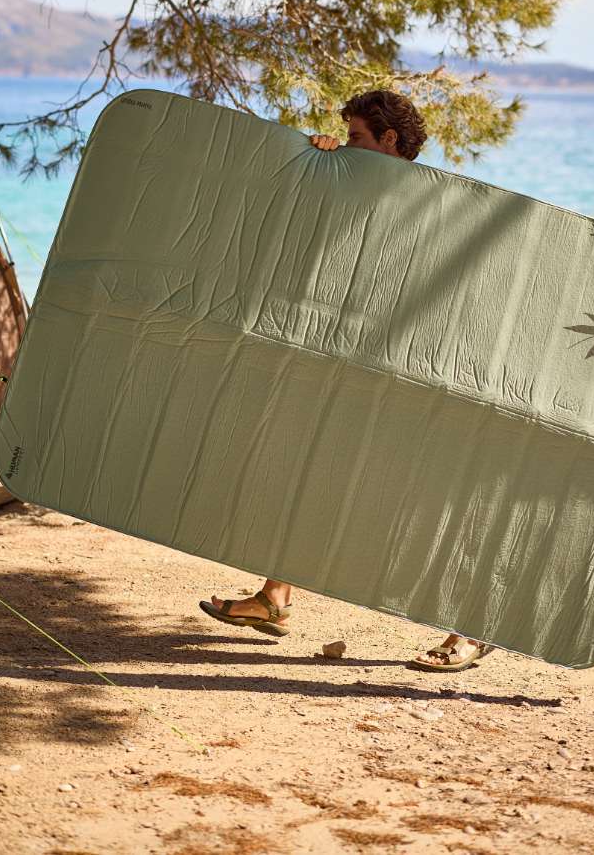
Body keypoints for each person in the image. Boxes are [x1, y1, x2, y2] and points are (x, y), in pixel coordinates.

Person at [194, 88, 490, 673]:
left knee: (423, 499)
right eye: (347, 136)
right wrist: (320, 160)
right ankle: (274, 599)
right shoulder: (352, 188)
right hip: (356, 364)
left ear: (391, 142)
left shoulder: (435, 203)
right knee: (311, 473)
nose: (349, 146)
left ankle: (473, 626)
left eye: (358, 138)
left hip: (417, 373)